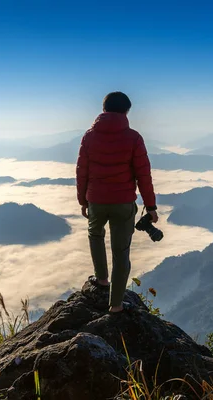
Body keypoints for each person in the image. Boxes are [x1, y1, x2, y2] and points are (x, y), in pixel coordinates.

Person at [76, 91, 158, 313]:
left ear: (104, 109)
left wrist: (83, 200)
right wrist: (150, 207)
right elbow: (144, 175)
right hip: (123, 203)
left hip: (96, 200)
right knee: (121, 252)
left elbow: (82, 171)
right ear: (126, 111)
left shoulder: (89, 137)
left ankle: (102, 280)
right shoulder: (134, 138)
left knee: (95, 235)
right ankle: (116, 306)